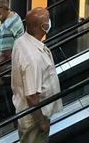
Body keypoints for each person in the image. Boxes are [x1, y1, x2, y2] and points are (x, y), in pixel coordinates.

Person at [11, 7, 61, 143]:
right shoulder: (34, 59)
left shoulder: (21, 41)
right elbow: (32, 96)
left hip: (23, 111)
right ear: (43, 26)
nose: (50, 22)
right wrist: (42, 121)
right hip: (33, 120)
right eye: (48, 20)